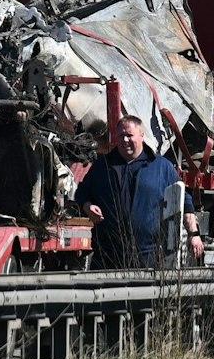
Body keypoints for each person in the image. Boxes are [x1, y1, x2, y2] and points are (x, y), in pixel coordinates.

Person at [77, 115, 203, 268]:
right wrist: (87, 206)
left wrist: (194, 235)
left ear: (142, 136)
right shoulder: (102, 166)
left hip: (148, 259)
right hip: (107, 257)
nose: (124, 140)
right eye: (121, 135)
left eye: (129, 135)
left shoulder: (161, 167)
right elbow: (82, 192)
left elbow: (184, 201)